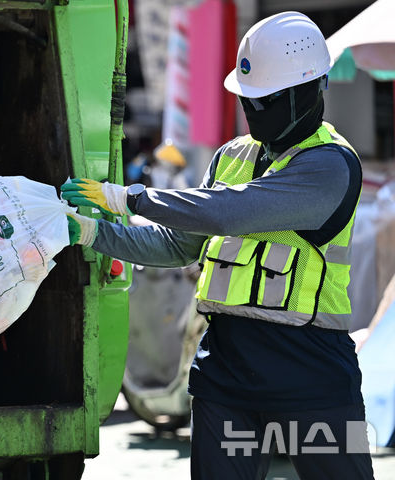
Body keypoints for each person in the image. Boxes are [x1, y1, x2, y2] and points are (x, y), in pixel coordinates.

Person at [62, 11, 374, 480]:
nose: (254, 113)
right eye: (249, 101)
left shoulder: (331, 167)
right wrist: (95, 234)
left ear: (310, 90)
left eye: (266, 101)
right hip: (225, 370)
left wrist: (127, 198)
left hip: (311, 374)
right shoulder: (231, 156)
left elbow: (227, 211)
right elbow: (179, 246)